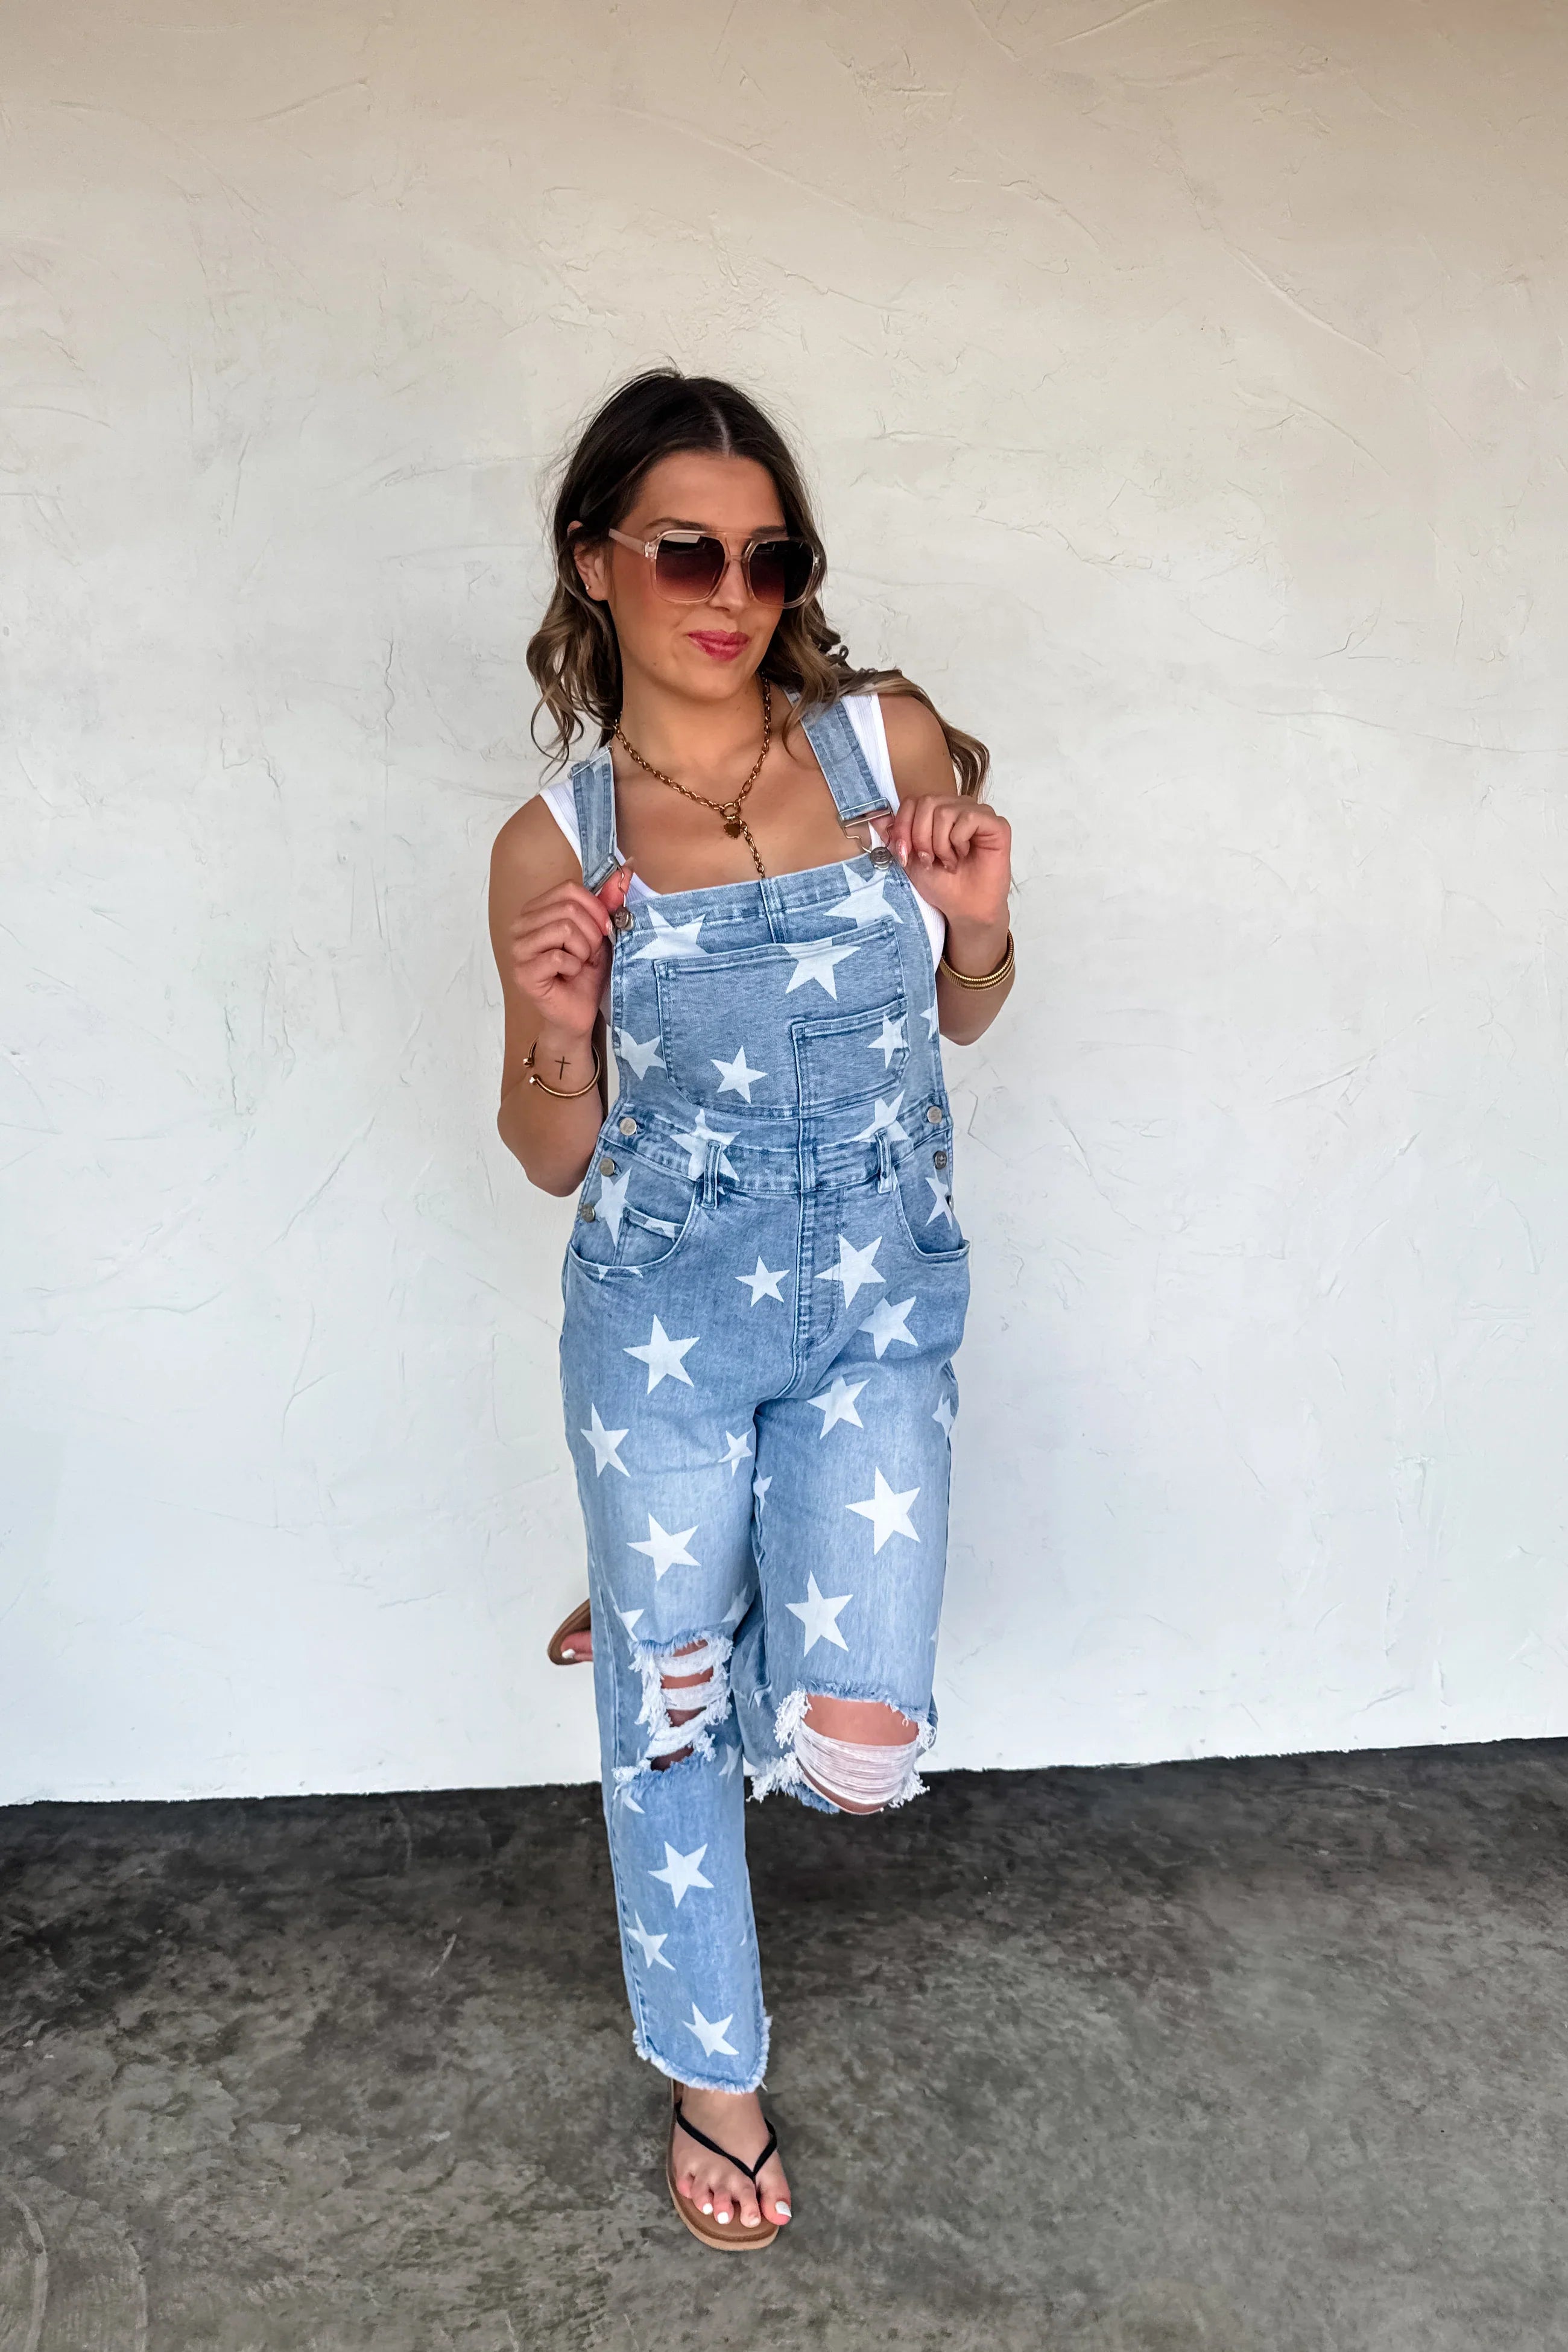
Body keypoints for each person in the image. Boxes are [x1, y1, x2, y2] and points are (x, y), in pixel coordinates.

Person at [488, 369, 1014, 2250]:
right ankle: (714, 2073)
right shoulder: (555, 842)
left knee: (858, 1745)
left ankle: (677, 1589)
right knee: (673, 1724)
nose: (732, 592)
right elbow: (549, 1151)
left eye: (768, 556)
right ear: (595, 562)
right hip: (662, 1325)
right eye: (686, 550)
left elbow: (967, 1009)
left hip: (877, 1302)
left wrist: (978, 923)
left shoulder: (886, 746)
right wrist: (561, 1028)